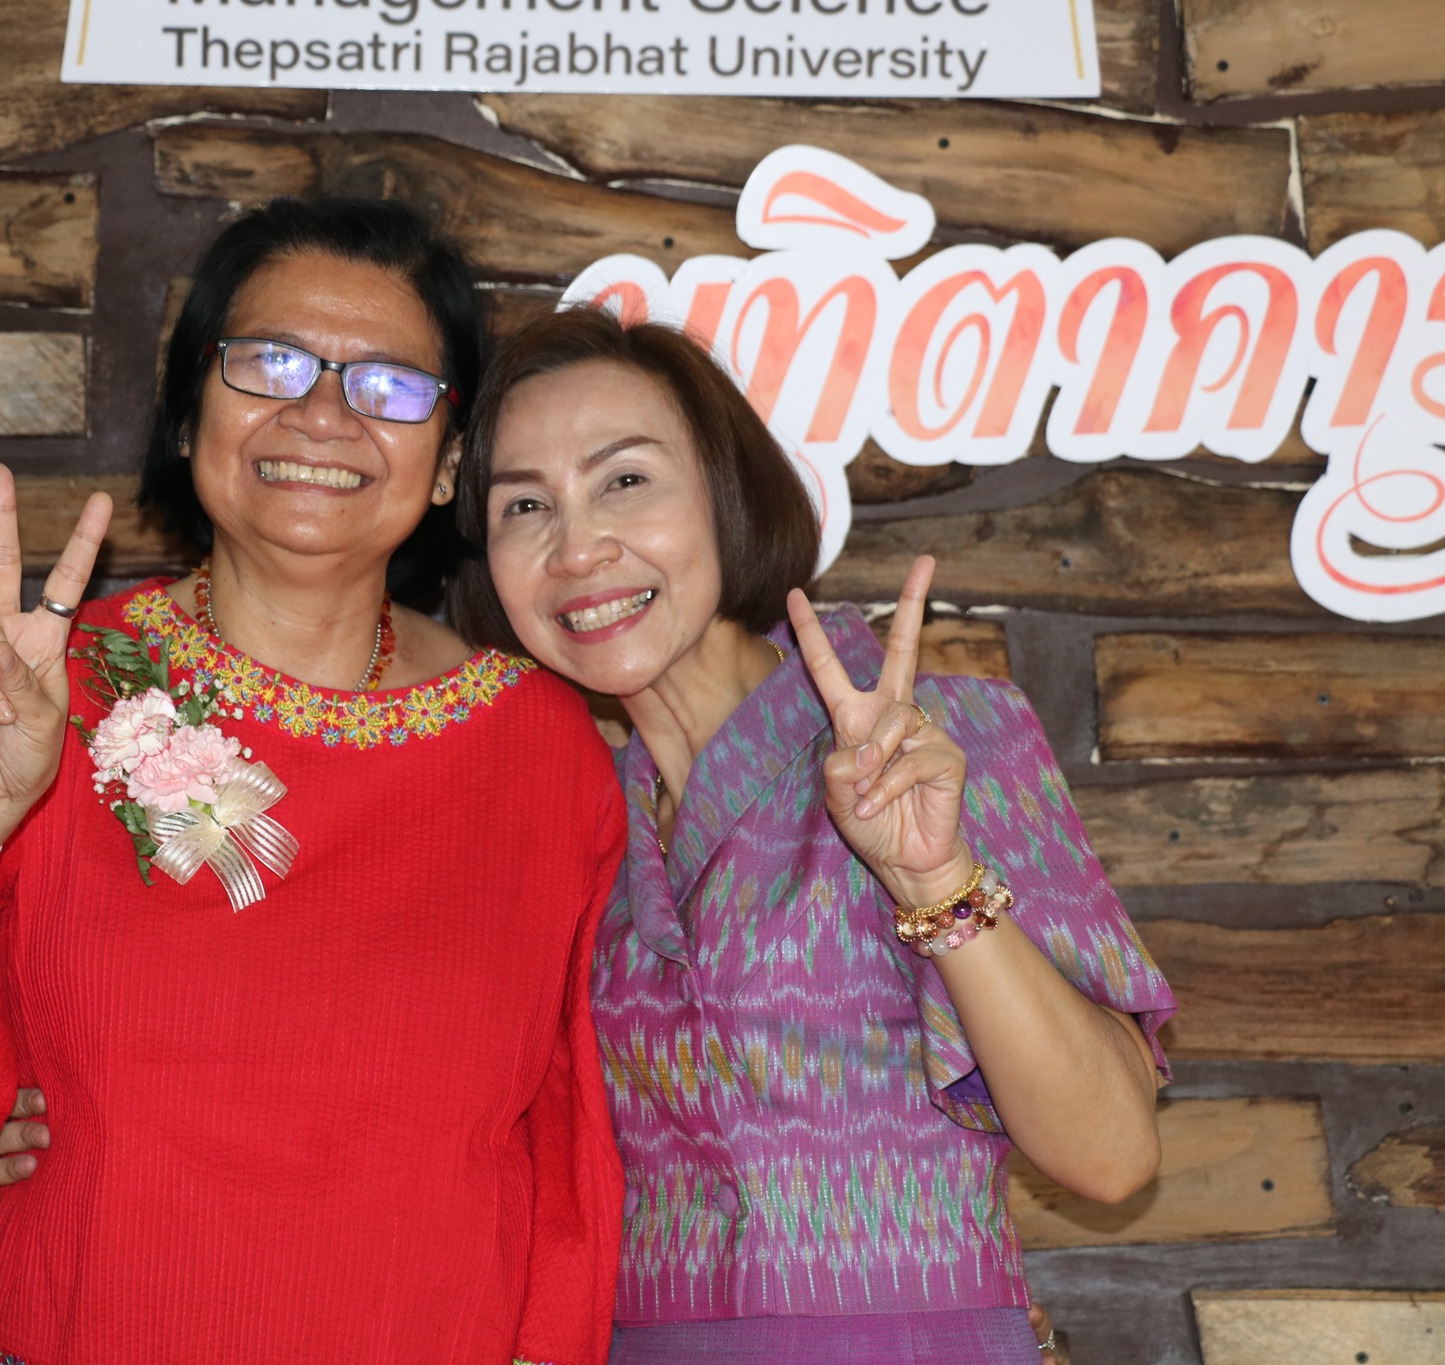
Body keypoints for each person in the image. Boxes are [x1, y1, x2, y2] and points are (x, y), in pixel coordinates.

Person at [0, 199, 628, 1365]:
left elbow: (567, 1152)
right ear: (188, 414)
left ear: (446, 465)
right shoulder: (45, 692)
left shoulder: (539, 750)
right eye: (269, 363)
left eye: (389, 385)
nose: (321, 413)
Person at [446, 310, 1175, 1362]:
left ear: (727, 495)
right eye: (525, 504)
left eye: (625, 480)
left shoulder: (934, 738)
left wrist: (932, 874)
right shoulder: (575, 811)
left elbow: (1111, 1155)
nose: (577, 548)